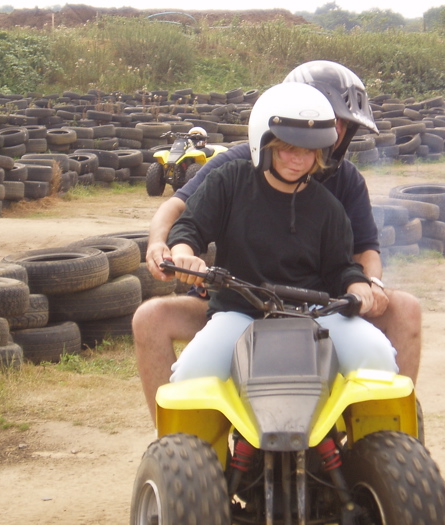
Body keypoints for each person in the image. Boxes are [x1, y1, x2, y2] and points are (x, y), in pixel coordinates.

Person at [133, 60, 422, 422]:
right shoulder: (234, 172)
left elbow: (354, 256)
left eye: (330, 124)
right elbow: (182, 217)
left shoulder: (335, 196)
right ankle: (176, 450)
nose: (300, 150)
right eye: (289, 141)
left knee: (380, 353)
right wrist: (171, 249)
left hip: (319, 304)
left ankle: (388, 437)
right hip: (239, 298)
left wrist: (364, 284)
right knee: (188, 368)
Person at [165, 82, 397, 383]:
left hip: (317, 311)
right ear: (264, 143)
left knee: (378, 356)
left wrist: (358, 285)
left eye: (309, 151)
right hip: (240, 310)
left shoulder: (328, 207)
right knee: (192, 372)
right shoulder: (230, 182)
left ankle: (375, 432)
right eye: (288, 148)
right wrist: (184, 253)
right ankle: (193, 433)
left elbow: (341, 267)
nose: (298, 159)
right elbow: (189, 227)